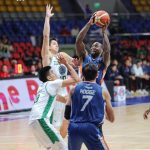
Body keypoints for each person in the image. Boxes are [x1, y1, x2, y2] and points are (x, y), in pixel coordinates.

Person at [29, 54, 80, 150]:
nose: (55, 73)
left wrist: (69, 100)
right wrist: (66, 64)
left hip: (33, 122)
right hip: (41, 119)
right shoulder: (52, 83)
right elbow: (76, 79)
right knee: (63, 147)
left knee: (52, 148)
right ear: (49, 78)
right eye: (52, 72)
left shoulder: (42, 87)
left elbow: (62, 99)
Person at [41, 4, 76, 137]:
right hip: (52, 93)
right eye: (54, 43)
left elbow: (76, 62)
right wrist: (47, 18)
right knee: (54, 127)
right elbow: (45, 36)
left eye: (57, 43)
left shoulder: (61, 55)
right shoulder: (47, 56)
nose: (57, 45)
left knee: (65, 125)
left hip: (64, 92)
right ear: (49, 47)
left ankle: (59, 146)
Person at [65, 63, 114, 150]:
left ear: (83, 75)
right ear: (97, 75)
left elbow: (67, 114)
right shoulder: (103, 91)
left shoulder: (73, 89)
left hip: (74, 128)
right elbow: (111, 118)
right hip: (91, 129)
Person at [76, 14, 111, 86]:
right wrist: (88, 24)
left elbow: (107, 50)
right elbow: (78, 41)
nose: (93, 47)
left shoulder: (103, 62)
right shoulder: (85, 57)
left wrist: (104, 32)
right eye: (92, 46)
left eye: (96, 46)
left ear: (102, 50)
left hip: (95, 92)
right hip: (82, 90)